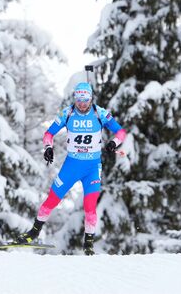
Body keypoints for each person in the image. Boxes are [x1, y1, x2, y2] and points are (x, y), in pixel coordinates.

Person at [15, 82, 126, 255]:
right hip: (72, 166)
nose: (82, 103)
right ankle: (33, 233)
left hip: (92, 168)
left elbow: (121, 132)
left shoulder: (100, 114)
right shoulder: (67, 113)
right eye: (79, 99)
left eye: (85, 99)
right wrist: (48, 148)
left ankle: (88, 245)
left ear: (91, 98)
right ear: (75, 98)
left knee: (90, 207)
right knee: (52, 199)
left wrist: (113, 143)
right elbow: (48, 133)